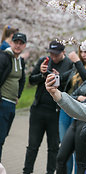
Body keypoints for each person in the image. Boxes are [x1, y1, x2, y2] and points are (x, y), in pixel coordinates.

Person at [23, 40, 74, 174]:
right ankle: (26, 171)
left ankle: (50, 172)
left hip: (56, 112)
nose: (53, 57)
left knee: (53, 148)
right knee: (33, 146)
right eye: (51, 53)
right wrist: (42, 74)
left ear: (63, 52)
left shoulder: (69, 65)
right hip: (38, 109)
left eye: (56, 54)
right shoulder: (43, 60)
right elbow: (31, 80)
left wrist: (59, 78)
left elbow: (69, 87)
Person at [58, 47, 86, 174]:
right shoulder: (76, 67)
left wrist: (78, 62)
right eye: (81, 51)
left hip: (80, 112)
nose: (83, 55)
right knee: (64, 147)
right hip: (66, 108)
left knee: (79, 153)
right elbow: (64, 78)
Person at [0, 32, 27, 162]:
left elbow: (22, 80)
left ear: (25, 46)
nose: (18, 45)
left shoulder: (20, 60)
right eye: (16, 42)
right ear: (11, 43)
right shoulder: (4, 57)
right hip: (2, 102)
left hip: (11, 104)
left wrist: (18, 96)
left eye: (21, 43)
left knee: (3, 137)